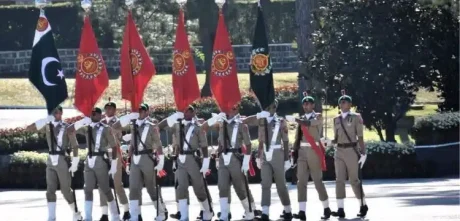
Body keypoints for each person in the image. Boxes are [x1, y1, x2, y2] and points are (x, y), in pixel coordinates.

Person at [26, 106, 83, 221]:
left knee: (66, 190)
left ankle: (76, 213)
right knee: (50, 190)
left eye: (57, 112)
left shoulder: (67, 127)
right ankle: (51, 217)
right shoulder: (48, 126)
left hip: (61, 159)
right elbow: (29, 129)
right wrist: (45, 119)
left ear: (61, 113)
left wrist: (75, 161)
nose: (55, 114)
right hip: (50, 159)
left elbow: (75, 145)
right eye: (53, 112)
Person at [70, 107, 120, 221]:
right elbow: (70, 129)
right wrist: (82, 121)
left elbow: (114, 146)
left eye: (96, 114)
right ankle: (88, 217)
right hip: (89, 160)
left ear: (100, 115)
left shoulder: (106, 129)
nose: (94, 116)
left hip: (100, 160)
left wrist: (113, 163)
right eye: (92, 114)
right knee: (87, 189)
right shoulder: (87, 128)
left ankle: (115, 217)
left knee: (106, 189)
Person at [164, 106, 213, 220]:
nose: (187, 113)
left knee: (199, 187)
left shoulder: (197, 128)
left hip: (193, 159)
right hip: (180, 159)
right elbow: (175, 141)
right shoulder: (178, 125)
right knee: (181, 188)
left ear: (193, 113)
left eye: (189, 111)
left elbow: (204, 146)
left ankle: (207, 212)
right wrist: (175, 159)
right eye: (185, 111)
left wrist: (205, 161)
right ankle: (184, 215)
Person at [287, 94, 331, 220]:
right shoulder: (301, 118)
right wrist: (293, 152)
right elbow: (298, 137)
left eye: (309, 104)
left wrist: (295, 120)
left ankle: (326, 208)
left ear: (313, 105)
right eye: (304, 104)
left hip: (314, 150)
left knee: (317, 181)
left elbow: (308, 123)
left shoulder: (318, 116)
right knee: (301, 182)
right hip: (302, 152)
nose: (306, 106)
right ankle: (302, 211)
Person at [209, 104, 255, 221]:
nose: (230, 110)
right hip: (224, 158)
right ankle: (224, 215)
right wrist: (218, 158)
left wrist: (246, 161)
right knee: (222, 186)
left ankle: (249, 212)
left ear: (237, 110)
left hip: (236, 158)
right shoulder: (221, 124)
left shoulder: (241, 124)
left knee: (240, 187)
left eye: (233, 109)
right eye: (228, 108)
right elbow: (218, 141)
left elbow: (248, 145)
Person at [331, 90, 368, 218]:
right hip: (339, 151)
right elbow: (335, 138)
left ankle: (362, 204)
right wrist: (328, 141)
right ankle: (340, 208)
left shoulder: (356, 117)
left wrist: (363, 153)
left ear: (350, 104)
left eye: (344, 102)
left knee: (354, 180)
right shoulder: (336, 119)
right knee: (339, 180)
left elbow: (360, 137)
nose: (342, 104)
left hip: (352, 150)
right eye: (340, 102)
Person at [126, 103, 167, 221]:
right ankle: (135, 216)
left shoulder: (151, 126)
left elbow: (158, 145)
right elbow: (132, 146)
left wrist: (161, 162)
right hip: (135, 159)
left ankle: (161, 213)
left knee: (151, 188)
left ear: (147, 112)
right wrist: (128, 161)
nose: (140, 112)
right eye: (138, 110)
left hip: (147, 158)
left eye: (142, 110)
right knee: (134, 188)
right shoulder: (133, 125)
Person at [98, 101, 138, 221]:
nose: (108, 111)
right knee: (102, 185)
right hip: (103, 155)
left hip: (115, 154)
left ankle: (126, 210)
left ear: (114, 110)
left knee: (117, 184)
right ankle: (105, 213)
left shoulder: (118, 122)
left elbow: (118, 135)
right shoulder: (101, 122)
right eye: (107, 109)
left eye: (111, 109)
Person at [255, 100, 293, 221]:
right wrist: (258, 156)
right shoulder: (262, 121)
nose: (269, 109)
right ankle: (265, 212)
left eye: (272, 107)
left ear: (275, 108)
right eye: (268, 106)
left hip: (277, 153)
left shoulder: (281, 122)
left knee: (281, 185)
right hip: (265, 154)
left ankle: (288, 210)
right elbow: (260, 140)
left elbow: (286, 141)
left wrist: (287, 159)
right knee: (265, 183)